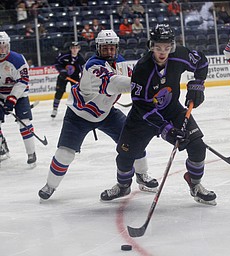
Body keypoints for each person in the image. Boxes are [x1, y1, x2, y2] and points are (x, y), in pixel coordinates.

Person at [100, 24, 216, 205]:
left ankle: (195, 184)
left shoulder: (179, 55)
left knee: (197, 146)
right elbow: (141, 105)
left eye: (167, 48)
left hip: (172, 110)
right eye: (158, 48)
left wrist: (197, 85)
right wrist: (165, 129)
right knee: (125, 155)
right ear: (151, 46)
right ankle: (123, 185)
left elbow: (201, 62)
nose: (163, 52)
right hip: (143, 117)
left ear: (172, 47)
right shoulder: (142, 68)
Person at [38, 30, 158, 200]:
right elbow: (115, 84)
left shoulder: (121, 62)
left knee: (134, 140)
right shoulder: (92, 65)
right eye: (105, 49)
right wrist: (145, 84)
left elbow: (134, 79)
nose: (109, 52)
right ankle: (50, 185)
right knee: (65, 153)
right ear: (97, 48)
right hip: (78, 115)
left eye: (112, 48)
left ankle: (142, 175)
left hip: (106, 113)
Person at [0, 31, 37, 166]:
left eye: (4, 46)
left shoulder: (17, 59)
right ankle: (2, 148)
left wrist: (12, 98)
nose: (2, 49)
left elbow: (23, 80)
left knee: (25, 123)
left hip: (19, 96)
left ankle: (31, 152)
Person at [51, 41, 86, 118]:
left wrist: (82, 79)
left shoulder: (81, 59)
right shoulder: (64, 56)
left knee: (77, 92)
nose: (74, 50)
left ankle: (78, 108)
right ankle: (55, 109)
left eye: (76, 48)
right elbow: (57, 63)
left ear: (79, 49)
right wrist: (62, 71)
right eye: (73, 48)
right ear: (70, 49)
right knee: (59, 92)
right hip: (63, 76)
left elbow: (83, 70)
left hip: (75, 76)